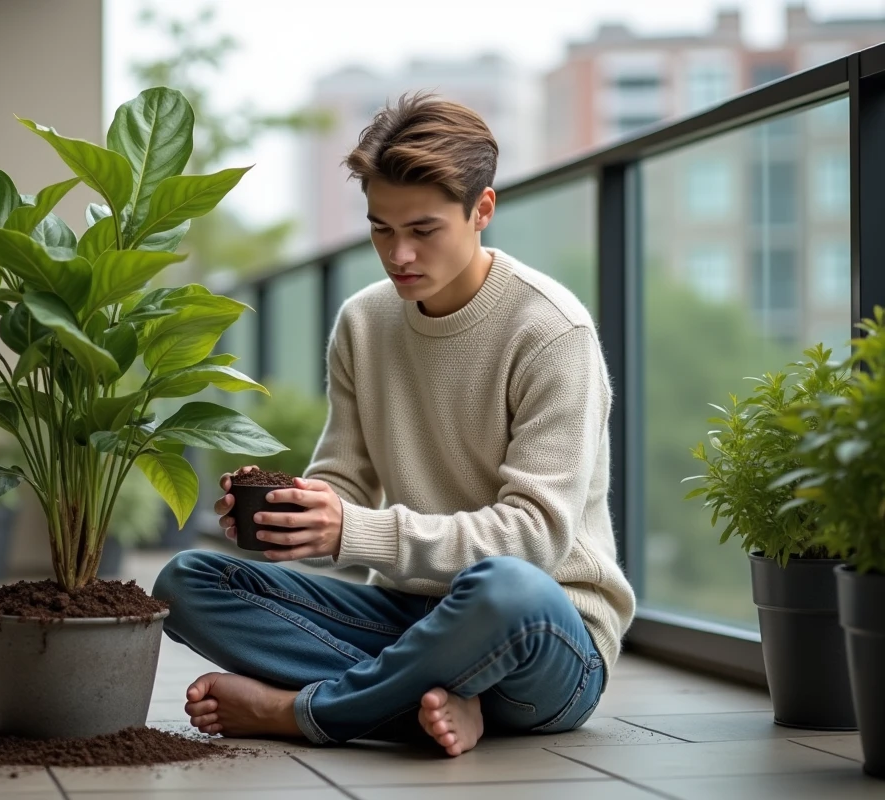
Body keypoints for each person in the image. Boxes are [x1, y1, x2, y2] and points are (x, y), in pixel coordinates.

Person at [152, 92, 636, 757]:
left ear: (482, 210)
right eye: (382, 228)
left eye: (424, 229)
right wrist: (298, 517)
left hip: (544, 639)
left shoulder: (552, 332)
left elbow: (535, 541)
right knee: (187, 584)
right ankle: (423, 705)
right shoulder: (364, 321)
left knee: (507, 587)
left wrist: (353, 529)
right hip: (410, 619)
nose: (399, 253)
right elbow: (344, 480)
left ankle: (305, 713)